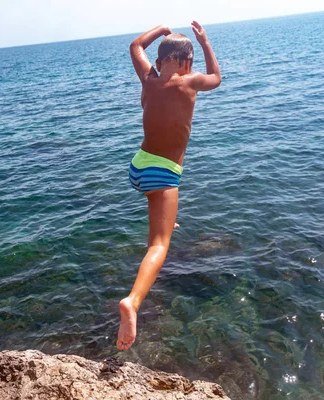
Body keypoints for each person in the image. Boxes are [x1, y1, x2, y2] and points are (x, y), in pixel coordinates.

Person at [117, 21, 221, 351]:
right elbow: (217, 78)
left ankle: (166, 216)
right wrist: (205, 42)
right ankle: (132, 302)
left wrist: (160, 29)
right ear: (185, 61)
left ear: (160, 59)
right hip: (162, 176)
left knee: (161, 210)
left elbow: (135, 46)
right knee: (159, 245)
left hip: (138, 167)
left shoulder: (148, 78)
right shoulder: (190, 82)